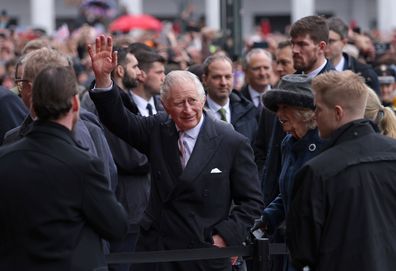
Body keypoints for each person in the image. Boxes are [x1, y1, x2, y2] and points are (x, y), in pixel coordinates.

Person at [88, 35, 264, 271]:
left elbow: (252, 202)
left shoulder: (230, 141)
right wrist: (103, 79)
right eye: (180, 103)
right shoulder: (157, 129)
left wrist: (224, 237)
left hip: (204, 252)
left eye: (193, 100)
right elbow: (120, 122)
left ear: (202, 100)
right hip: (158, 251)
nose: (188, 109)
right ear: (166, 104)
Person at [0, 66, 128, 271]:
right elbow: (116, 226)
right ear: (75, 103)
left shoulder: (5, 157)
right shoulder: (84, 165)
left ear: (32, 104)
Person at [286, 70, 396, 271]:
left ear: (337, 112)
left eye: (318, 109)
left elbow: (302, 251)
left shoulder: (317, 172)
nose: (315, 116)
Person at [3, 46, 118, 191]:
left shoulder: (89, 132)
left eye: (21, 83)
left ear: (32, 88)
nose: (19, 90)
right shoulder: (12, 138)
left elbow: (107, 186)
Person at [251, 74, 323, 271]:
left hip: (318, 250)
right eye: (277, 107)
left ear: (304, 112)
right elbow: (288, 194)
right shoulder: (288, 143)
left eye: (285, 108)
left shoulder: (323, 146)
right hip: (293, 247)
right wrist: (267, 219)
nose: (278, 114)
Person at [203, 54, 258, 144]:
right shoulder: (196, 113)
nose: (223, 83)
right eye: (217, 77)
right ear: (205, 79)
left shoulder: (248, 111)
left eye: (228, 77)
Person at [325, 16, 380, 94]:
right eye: (322, 41)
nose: (325, 45)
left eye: (330, 41)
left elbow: (374, 105)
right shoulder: (311, 70)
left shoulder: (364, 74)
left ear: (344, 42)